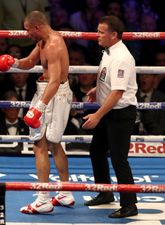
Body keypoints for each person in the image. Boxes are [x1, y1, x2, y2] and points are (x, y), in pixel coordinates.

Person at [0, 10, 74, 214]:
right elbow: (29, 63)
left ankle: (43, 199)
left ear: (37, 27)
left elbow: (55, 81)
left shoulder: (54, 44)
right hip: (50, 92)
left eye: (28, 30)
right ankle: (65, 192)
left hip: (53, 94)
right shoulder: (43, 42)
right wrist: (13, 62)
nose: (26, 34)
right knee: (55, 144)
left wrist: (38, 108)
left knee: (39, 144)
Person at [82, 15, 138, 218]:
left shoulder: (122, 57)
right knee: (96, 152)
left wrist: (97, 115)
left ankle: (130, 204)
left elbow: (118, 92)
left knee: (118, 159)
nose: (96, 35)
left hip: (120, 113)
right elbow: (109, 79)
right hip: (108, 110)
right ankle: (105, 193)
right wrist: (97, 89)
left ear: (113, 35)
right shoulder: (108, 52)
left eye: (101, 32)